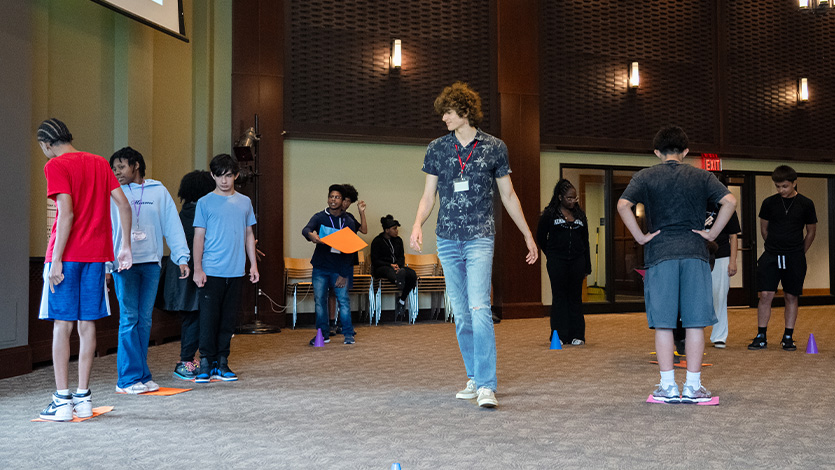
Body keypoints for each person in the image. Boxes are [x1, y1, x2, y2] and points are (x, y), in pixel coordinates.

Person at [410, 82, 538, 408]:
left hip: (480, 237)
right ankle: (473, 376)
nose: (444, 119)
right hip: (447, 238)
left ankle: (486, 385)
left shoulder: (494, 147)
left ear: (465, 112)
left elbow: (508, 195)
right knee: (462, 314)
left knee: (480, 308)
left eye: (449, 113)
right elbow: (429, 196)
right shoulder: (437, 148)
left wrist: (526, 234)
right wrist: (416, 224)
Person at [617, 126, 736, 404]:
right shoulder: (702, 175)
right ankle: (693, 387)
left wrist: (640, 236)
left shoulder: (645, 176)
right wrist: (712, 234)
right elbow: (730, 201)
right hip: (695, 253)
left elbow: (624, 205)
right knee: (695, 323)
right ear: (685, 151)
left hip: (660, 255)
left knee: (664, 324)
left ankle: (668, 386)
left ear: (657, 152)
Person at [36, 118, 133, 421]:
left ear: (46, 144)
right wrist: (125, 246)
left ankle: (62, 401)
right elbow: (124, 206)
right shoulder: (99, 163)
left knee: (62, 326)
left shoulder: (55, 165)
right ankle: (84, 398)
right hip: (96, 257)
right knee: (87, 324)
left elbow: (66, 214)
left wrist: (58, 259)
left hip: (65, 256)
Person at [108, 147, 190, 394]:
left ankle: (141, 375)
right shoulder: (113, 193)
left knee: (144, 321)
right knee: (129, 319)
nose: (117, 172)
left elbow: (172, 226)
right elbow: (108, 229)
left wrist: (181, 257)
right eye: (114, 169)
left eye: (121, 167)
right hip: (124, 264)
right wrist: (106, 264)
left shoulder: (158, 191)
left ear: (136, 165)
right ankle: (127, 380)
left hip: (152, 264)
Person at [192, 154, 259, 383]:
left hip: (236, 270)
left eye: (228, 176)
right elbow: (198, 237)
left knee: (228, 320)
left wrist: (253, 265)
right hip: (211, 271)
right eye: (219, 176)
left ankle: (222, 362)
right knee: (208, 319)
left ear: (236, 176)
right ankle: (205, 363)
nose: (224, 180)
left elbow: (249, 235)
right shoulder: (204, 202)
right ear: (213, 176)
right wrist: (197, 268)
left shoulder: (245, 202)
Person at [749, 165, 817, 351]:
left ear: (794, 183)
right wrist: (774, 245)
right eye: (778, 186)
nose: (781, 190)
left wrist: (799, 251)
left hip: (794, 256)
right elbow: (764, 229)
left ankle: (788, 336)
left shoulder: (806, 203)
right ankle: (761, 335)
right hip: (771, 255)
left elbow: (811, 231)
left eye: (785, 186)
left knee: (791, 296)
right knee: (765, 295)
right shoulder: (769, 203)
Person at [163, 170, 215, 380]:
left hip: (178, 273)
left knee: (191, 318)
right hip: (193, 271)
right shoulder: (200, 215)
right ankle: (187, 361)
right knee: (195, 318)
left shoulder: (182, 212)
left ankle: (193, 360)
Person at [537, 179, 592, 346]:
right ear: (560, 197)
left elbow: (586, 241)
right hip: (557, 262)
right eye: (569, 198)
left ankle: (577, 335)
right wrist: (552, 254)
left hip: (577, 261)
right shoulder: (549, 214)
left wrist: (587, 266)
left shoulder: (580, 215)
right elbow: (541, 238)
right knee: (559, 297)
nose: (573, 201)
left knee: (575, 297)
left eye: (574, 198)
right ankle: (559, 335)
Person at [303, 184, 358, 345]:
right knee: (320, 301)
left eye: (337, 197)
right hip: (320, 267)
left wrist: (343, 274)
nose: (333, 200)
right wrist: (310, 235)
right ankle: (323, 334)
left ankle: (348, 334)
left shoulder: (348, 221)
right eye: (331, 196)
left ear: (343, 201)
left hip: (339, 268)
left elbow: (350, 250)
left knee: (344, 301)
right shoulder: (320, 217)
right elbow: (306, 229)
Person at [705, 173, 741, 349]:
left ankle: (719, 335)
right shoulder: (696, 203)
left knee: (719, 295)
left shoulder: (727, 207)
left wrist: (733, 261)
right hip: (697, 255)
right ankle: (687, 334)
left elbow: (733, 236)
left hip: (721, 255)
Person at [327, 183, 367, 335]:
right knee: (331, 292)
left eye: (349, 201)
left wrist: (361, 212)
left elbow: (363, 230)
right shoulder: (329, 216)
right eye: (344, 200)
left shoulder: (349, 218)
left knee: (344, 293)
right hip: (332, 259)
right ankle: (331, 323)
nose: (346, 204)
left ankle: (343, 324)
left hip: (347, 258)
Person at [370, 215, 417, 318]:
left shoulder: (398, 241)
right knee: (388, 271)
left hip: (397, 268)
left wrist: (398, 266)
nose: (397, 231)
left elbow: (401, 257)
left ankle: (401, 300)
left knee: (412, 274)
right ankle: (398, 280)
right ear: (387, 230)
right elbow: (375, 261)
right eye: (394, 229)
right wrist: (390, 265)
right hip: (382, 268)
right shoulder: (377, 241)